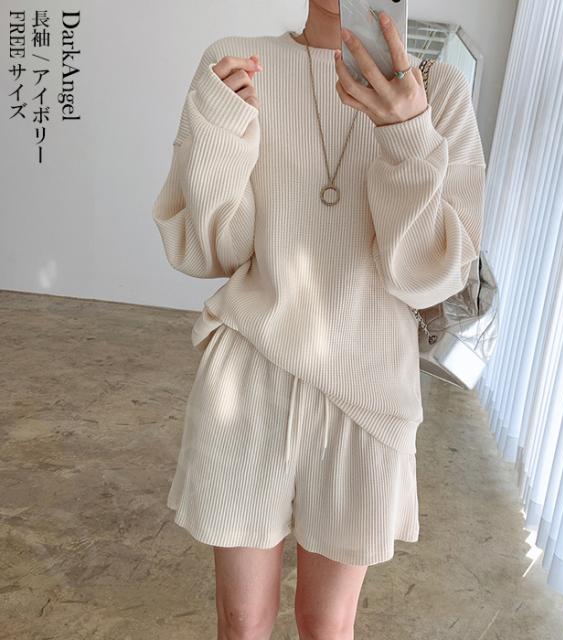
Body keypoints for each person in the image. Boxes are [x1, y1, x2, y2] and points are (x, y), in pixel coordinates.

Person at [151, 0, 486, 637]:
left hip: (368, 390)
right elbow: (213, 250)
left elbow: (428, 276)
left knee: (326, 624)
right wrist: (220, 135)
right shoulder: (237, 62)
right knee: (241, 622)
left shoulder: (437, 90)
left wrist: (408, 133)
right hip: (249, 373)